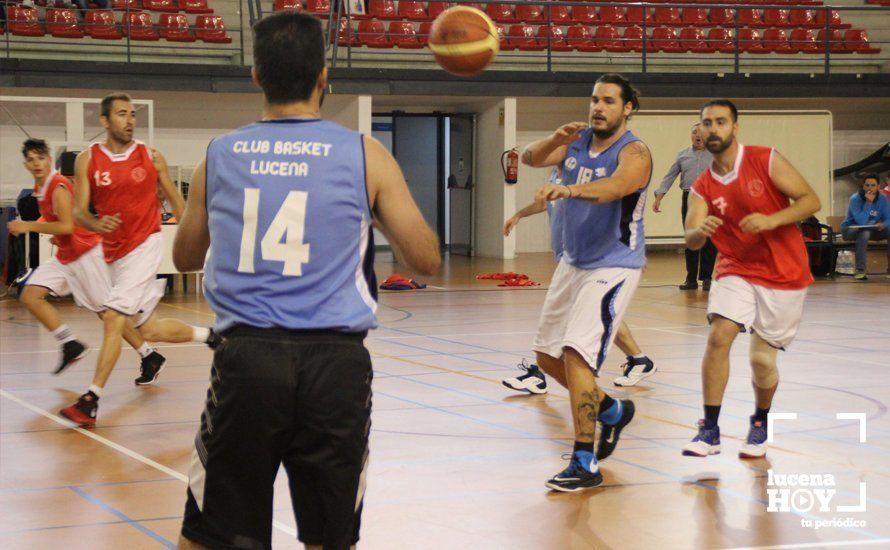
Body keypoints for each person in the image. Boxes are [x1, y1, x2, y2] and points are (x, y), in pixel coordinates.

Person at [173, 12, 440, 550]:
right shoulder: (366, 154)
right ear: (324, 77)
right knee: (329, 537)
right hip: (335, 368)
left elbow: (183, 257)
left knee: (213, 536)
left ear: (256, 76)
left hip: (246, 363)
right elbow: (425, 260)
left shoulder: (219, 154)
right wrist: (371, 211)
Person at [521, 73, 651, 492]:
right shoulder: (575, 140)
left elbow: (616, 188)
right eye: (595, 99)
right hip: (573, 264)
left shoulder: (634, 151)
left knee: (576, 355)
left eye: (609, 101)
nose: (598, 107)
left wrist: (571, 191)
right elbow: (528, 158)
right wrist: (550, 138)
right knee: (546, 357)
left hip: (613, 264)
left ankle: (584, 461)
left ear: (627, 107)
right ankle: (611, 410)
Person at [65, 92, 219, 427]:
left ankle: (91, 399)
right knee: (146, 328)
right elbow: (79, 211)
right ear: (105, 121)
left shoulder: (151, 157)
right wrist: (94, 223)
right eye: (122, 114)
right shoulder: (88, 159)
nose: (130, 120)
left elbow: (181, 206)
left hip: (145, 245)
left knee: (113, 318)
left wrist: (200, 241)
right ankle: (211, 336)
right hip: (114, 252)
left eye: (132, 114)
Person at [682, 99, 820, 459]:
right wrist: (701, 230)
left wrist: (773, 220)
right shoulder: (702, 186)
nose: (712, 129)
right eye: (706, 123)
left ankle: (760, 420)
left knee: (762, 363)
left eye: (720, 122)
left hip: (783, 272)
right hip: (736, 267)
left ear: (735, 127)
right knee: (719, 336)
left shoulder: (765, 159)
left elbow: (811, 200)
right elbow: (691, 237)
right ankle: (710, 429)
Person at [8, 138, 165, 376]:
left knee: (107, 313)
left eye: (41, 158)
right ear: (25, 164)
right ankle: (70, 344)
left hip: (85, 254)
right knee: (30, 296)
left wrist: (28, 226)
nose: (36, 163)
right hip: (66, 255)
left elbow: (67, 226)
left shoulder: (57, 185)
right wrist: (53, 235)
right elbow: (60, 226)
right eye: (31, 159)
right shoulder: (40, 189)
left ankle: (149, 355)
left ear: (49, 160)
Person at [501, 170, 655, 394]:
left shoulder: (588, 178)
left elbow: (617, 214)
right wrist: (519, 214)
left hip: (588, 257)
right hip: (567, 258)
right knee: (601, 314)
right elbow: (547, 205)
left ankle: (538, 375)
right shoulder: (558, 173)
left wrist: (632, 251)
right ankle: (639, 360)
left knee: (570, 317)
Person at [652, 123, 716, 291]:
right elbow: (669, 176)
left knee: (709, 239)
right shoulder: (682, 155)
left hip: (711, 198)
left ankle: (707, 278)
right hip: (689, 197)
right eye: (695, 132)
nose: (698, 135)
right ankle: (691, 279)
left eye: (701, 133)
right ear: (691, 136)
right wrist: (660, 195)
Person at [840, 173, 889, 280]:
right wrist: (868, 203)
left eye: (873, 185)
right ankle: (860, 269)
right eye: (867, 185)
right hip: (850, 229)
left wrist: (883, 224)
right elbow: (860, 221)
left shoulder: (883, 199)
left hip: (872, 229)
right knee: (864, 232)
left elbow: (888, 218)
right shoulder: (855, 199)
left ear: (878, 186)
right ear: (863, 186)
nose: (869, 188)